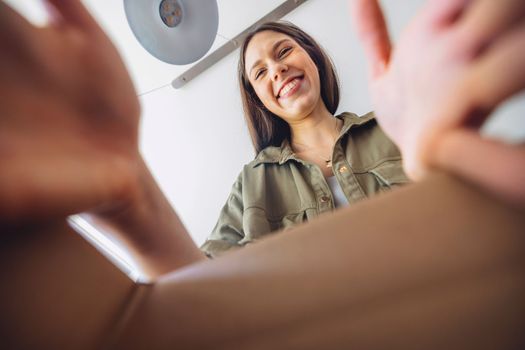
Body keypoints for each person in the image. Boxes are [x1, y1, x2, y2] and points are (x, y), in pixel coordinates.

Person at [0, 0, 524, 278]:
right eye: (259, 73)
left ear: (311, 57)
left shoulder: (397, 126)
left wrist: (449, 175)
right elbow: (194, 289)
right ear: (260, 99)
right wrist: (128, 190)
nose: (276, 71)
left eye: (283, 53)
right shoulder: (253, 186)